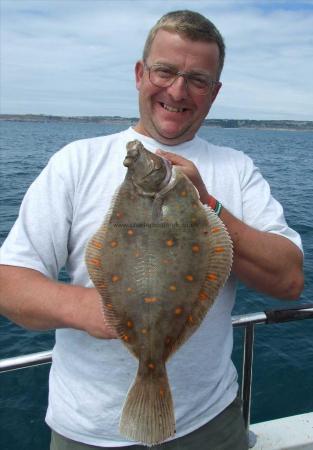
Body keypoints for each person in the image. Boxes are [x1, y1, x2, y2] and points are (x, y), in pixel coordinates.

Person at [0, 10, 304, 450]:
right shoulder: (75, 161)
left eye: (198, 79)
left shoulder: (238, 169)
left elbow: (290, 280)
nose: (178, 90)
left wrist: (207, 203)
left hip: (211, 423)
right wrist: (96, 309)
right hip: (89, 431)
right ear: (141, 74)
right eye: (165, 71)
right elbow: (9, 282)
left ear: (214, 93)